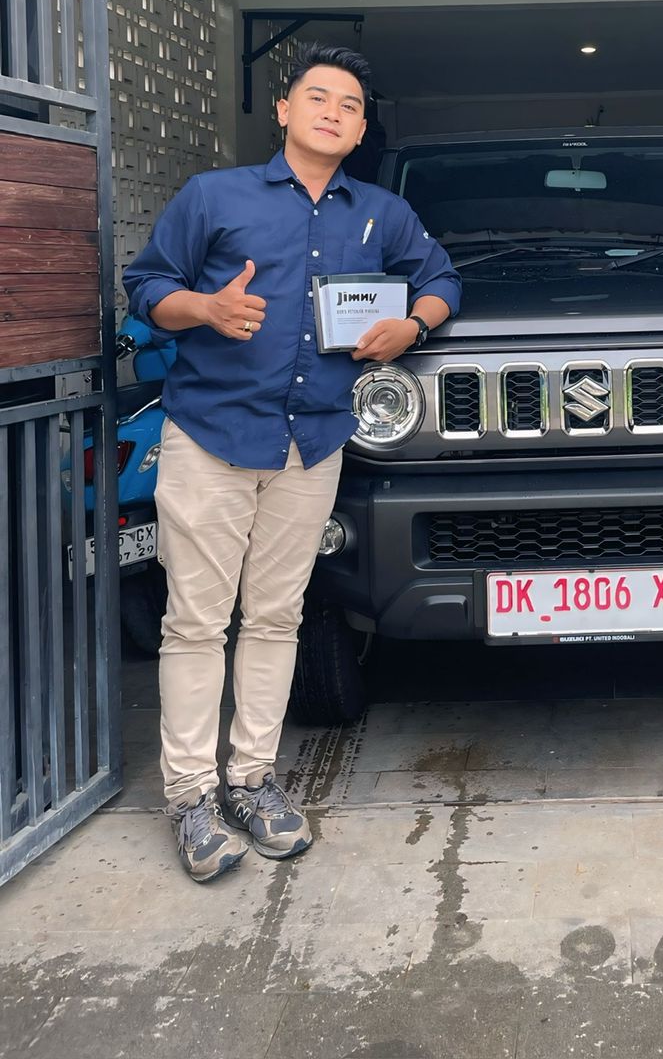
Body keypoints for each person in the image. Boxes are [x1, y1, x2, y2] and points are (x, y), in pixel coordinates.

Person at [124, 43, 461, 882]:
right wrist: (205, 307)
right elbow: (147, 286)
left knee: (277, 617)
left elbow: (442, 278)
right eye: (318, 97)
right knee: (195, 623)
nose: (333, 113)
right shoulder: (214, 196)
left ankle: (252, 780)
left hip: (311, 445)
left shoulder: (380, 213)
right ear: (283, 110)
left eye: (350, 105)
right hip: (212, 436)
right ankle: (191, 798)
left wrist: (412, 325)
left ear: (362, 129)